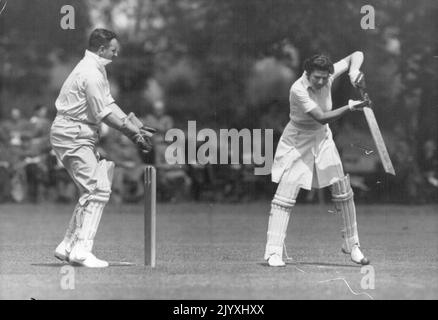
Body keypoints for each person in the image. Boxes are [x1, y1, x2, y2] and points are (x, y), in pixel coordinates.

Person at [51, 28, 155, 268]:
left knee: (92, 188)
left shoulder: (95, 69)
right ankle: (82, 251)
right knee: (98, 188)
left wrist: (134, 125)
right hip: (73, 134)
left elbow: (108, 103)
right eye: (113, 50)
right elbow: (103, 114)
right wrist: (131, 133)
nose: (115, 55)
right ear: (101, 49)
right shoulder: (91, 73)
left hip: (76, 133)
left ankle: (68, 245)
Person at [264, 52, 371, 267]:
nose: (322, 81)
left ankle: (352, 245)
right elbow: (321, 117)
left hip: (322, 138)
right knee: (285, 194)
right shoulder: (298, 89)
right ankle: (273, 252)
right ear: (307, 73)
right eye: (317, 78)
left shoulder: (328, 77)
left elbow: (356, 54)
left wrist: (353, 72)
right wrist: (351, 107)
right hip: (297, 140)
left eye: (325, 77)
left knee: (343, 190)